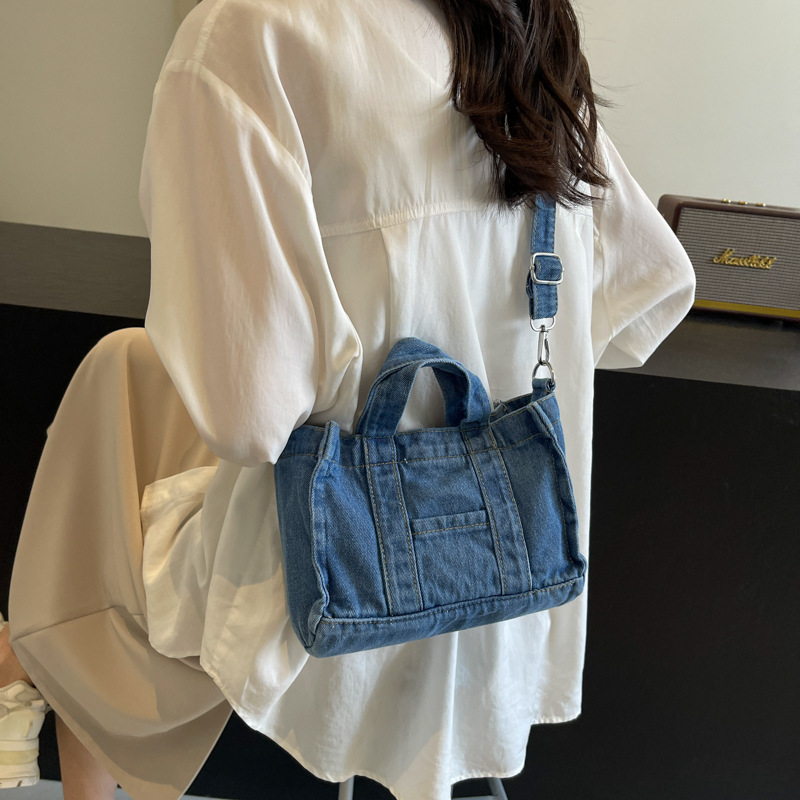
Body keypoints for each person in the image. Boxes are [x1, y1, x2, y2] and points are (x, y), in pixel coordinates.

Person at [1, 0, 695, 798]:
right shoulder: (522, 39)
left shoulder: (248, 37)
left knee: (90, 524)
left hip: (324, 592)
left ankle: (22, 667)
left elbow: (249, 420)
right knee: (123, 372)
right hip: (506, 591)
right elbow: (655, 290)